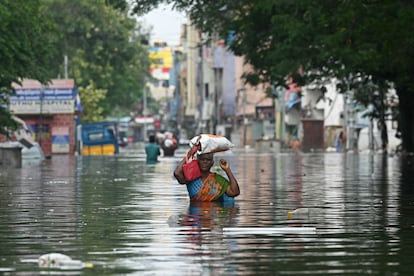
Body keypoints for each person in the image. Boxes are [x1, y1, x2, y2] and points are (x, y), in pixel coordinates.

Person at [173, 146, 240, 202]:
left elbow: (234, 192)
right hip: (195, 216)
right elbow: (177, 173)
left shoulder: (218, 180)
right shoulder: (191, 178)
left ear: (212, 163)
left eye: (208, 160)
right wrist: (191, 153)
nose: (205, 162)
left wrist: (227, 170)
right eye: (202, 159)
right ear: (197, 161)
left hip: (213, 215)